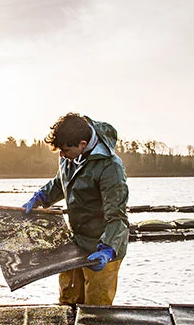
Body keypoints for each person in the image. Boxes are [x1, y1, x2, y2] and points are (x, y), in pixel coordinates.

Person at [23, 112, 129, 305]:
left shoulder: (111, 167)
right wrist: (40, 197)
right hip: (75, 243)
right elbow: (59, 182)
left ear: (82, 144)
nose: (62, 155)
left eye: (65, 150)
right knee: (68, 298)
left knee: (96, 306)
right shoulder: (68, 156)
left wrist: (108, 249)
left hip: (102, 245)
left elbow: (117, 216)